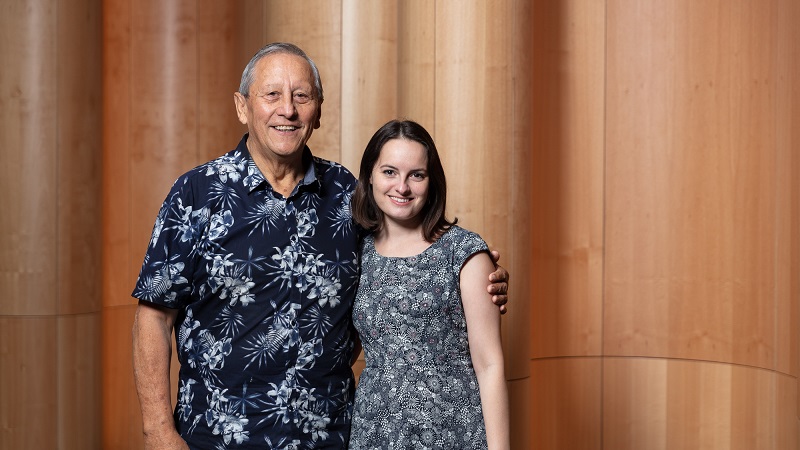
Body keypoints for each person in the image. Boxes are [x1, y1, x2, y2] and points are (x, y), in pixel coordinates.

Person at [131, 43, 509, 450]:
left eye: (302, 96)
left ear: (319, 110)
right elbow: (154, 315)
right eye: (271, 94)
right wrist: (158, 431)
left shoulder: (347, 195)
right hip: (219, 437)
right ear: (243, 107)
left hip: (329, 436)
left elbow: (404, 256)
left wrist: (473, 271)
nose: (288, 110)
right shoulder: (196, 194)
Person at [349, 120, 510, 449]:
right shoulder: (355, 252)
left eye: (416, 175)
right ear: (369, 176)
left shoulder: (463, 252)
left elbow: (490, 364)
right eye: (390, 172)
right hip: (373, 432)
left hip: (452, 432)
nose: (402, 187)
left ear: (431, 181)